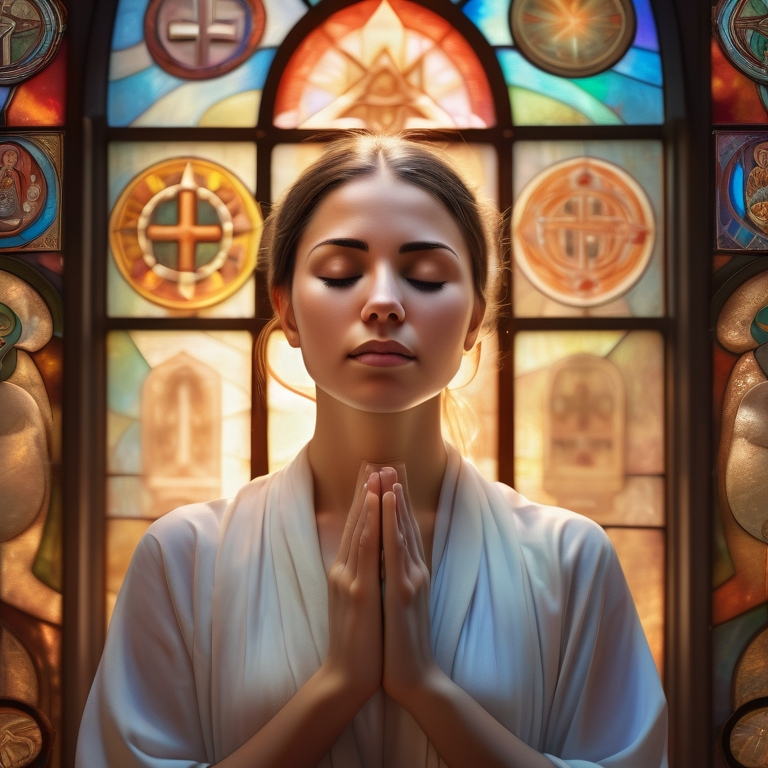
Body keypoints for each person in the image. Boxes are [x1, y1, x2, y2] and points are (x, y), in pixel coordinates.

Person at [75, 133, 668, 768]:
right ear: (287, 310)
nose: (384, 302)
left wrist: (424, 687)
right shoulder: (183, 559)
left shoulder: (569, 560)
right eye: (340, 273)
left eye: (425, 276)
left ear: (475, 318)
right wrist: (339, 685)